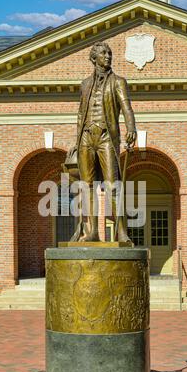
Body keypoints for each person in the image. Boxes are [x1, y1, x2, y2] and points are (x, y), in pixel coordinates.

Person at [67, 41, 137, 242]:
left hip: (106, 136)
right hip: (86, 137)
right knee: (87, 185)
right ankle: (92, 232)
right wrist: (77, 140)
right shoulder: (85, 84)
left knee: (112, 184)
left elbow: (126, 108)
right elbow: (81, 114)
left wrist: (131, 128)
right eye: (104, 53)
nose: (108, 56)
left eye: (110, 53)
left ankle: (121, 231)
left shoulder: (118, 82)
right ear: (94, 58)